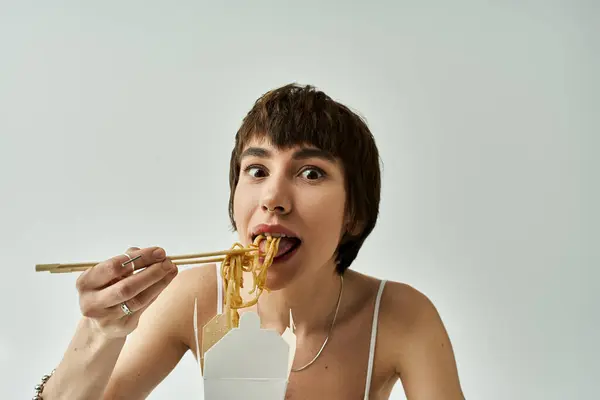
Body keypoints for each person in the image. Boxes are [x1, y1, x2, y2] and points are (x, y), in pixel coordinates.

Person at [35, 84, 465, 399]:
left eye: (311, 172)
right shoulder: (198, 297)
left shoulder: (402, 317)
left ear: (353, 212)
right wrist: (100, 330)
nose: (273, 199)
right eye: (257, 171)